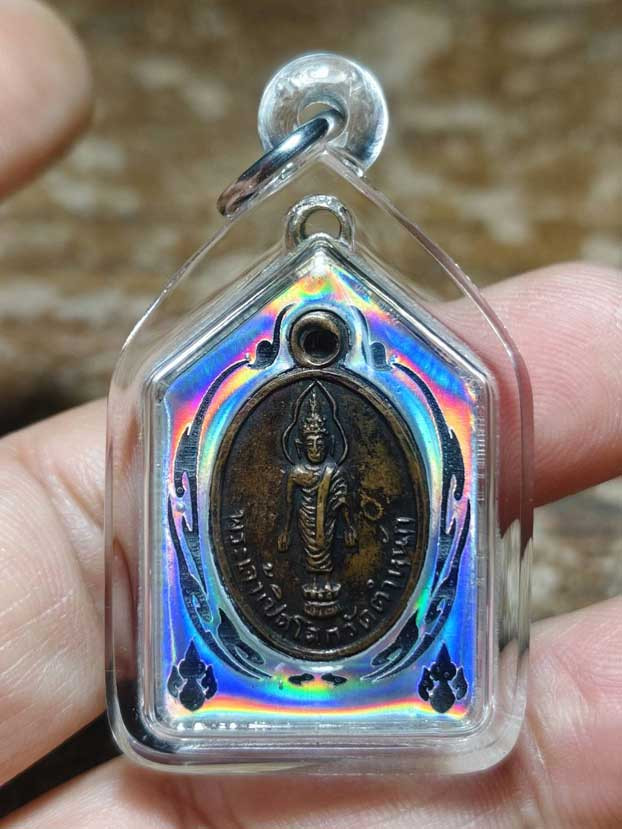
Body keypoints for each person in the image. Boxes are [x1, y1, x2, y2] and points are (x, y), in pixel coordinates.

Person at [0, 2, 620, 826]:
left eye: (327, 432)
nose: (319, 438)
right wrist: (307, 494)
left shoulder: (433, 401)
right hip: (288, 576)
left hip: (355, 588)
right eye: (310, 433)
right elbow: (274, 518)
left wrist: (344, 494)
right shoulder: (263, 445)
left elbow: (367, 508)